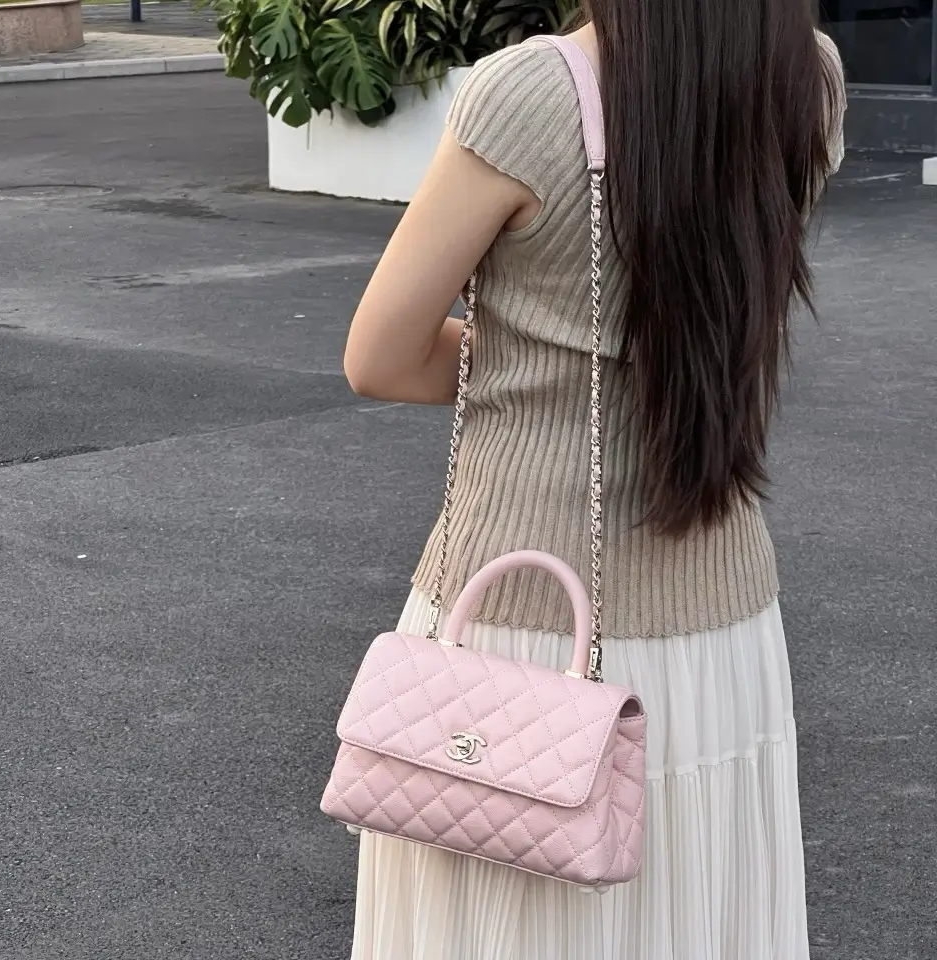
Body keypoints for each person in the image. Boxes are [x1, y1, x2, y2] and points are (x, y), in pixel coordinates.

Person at [340, 0, 846, 957]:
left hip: (522, 615)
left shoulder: (532, 92)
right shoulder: (805, 77)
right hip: (722, 627)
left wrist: (530, 358)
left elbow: (382, 357)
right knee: (697, 916)